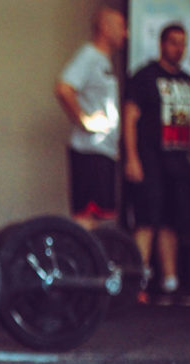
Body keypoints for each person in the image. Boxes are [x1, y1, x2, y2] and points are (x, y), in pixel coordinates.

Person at [123, 23, 190, 303]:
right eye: (173, 42)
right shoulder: (144, 77)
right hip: (150, 160)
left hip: (178, 163)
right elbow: (130, 118)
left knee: (172, 223)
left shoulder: (187, 81)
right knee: (147, 220)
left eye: (182, 43)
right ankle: (138, 282)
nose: (179, 48)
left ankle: (170, 282)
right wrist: (132, 157)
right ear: (162, 44)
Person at [54, 7, 128, 231]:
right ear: (105, 27)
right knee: (86, 218)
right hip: (89, 152)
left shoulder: (103, 61)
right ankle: (83, 265)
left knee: (102, 219)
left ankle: (95, 265)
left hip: (103, 152)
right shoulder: (89, 55)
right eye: (121, 27)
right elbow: (63, 88)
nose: (126, 33)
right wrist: (84, 120)